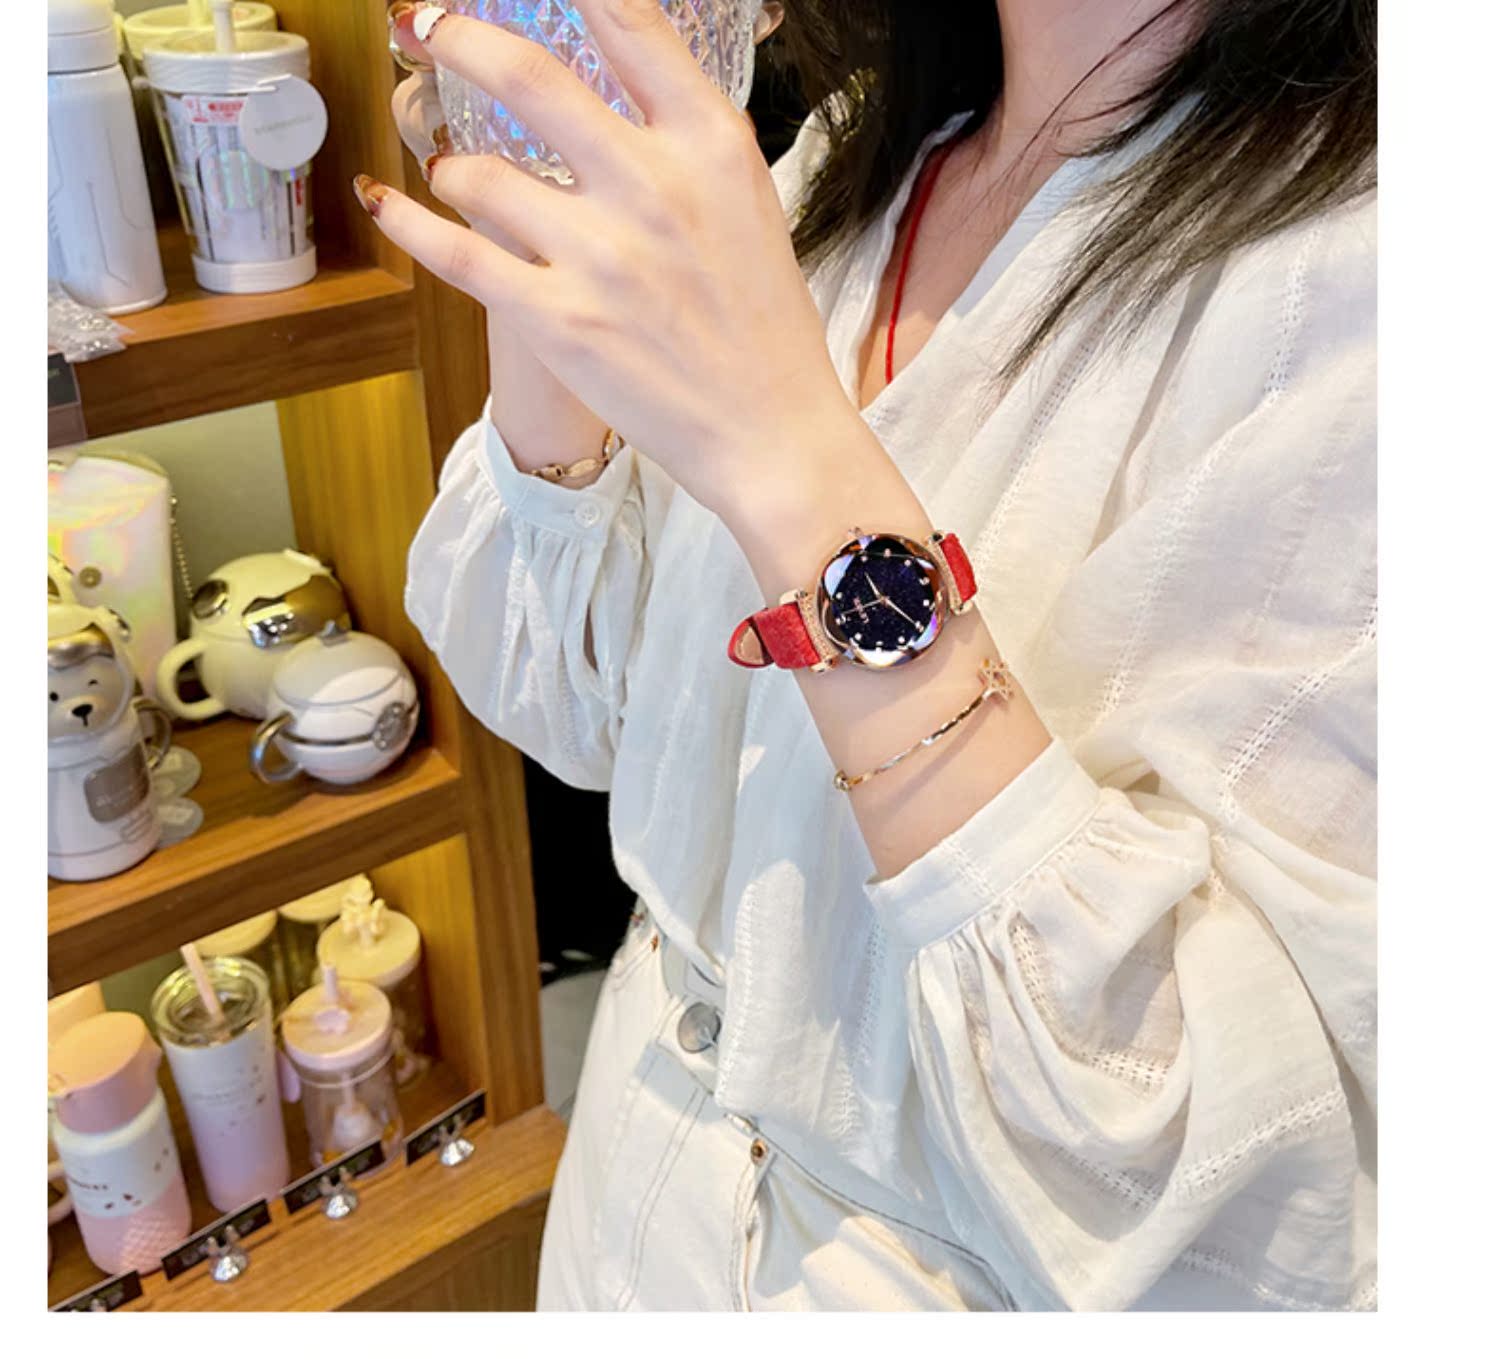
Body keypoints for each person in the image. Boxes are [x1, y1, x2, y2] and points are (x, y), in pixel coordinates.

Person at [378, 0, 1375, 1311]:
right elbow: (577, 705)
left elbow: (1256, 1203)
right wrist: (542, 223)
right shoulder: (854, 153)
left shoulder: (1371, 297)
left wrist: (787, 459)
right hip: (623, 1197)